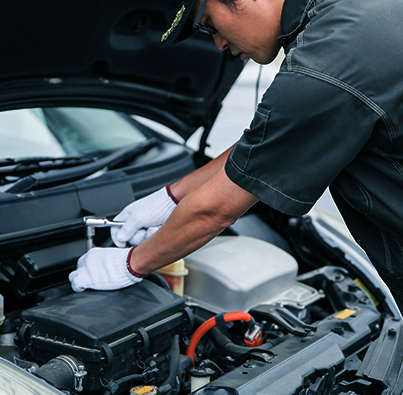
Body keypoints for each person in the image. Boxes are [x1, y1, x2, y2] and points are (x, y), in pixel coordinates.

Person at [69, 0, 403, 313]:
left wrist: (131, 264)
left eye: (210, 24)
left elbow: (217, 210)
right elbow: (272, 142)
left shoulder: (327, 65)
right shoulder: (348, 18)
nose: (218, 44)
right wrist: (171, 197)